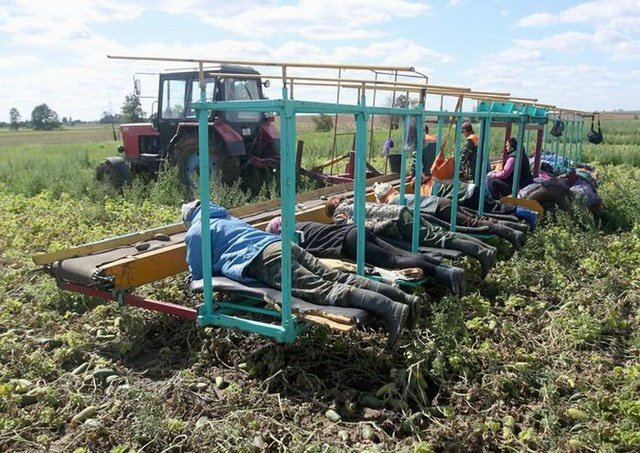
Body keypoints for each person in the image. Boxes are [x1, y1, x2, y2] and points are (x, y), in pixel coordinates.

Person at [182, 200, 419, 348]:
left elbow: (200, 272)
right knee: (338, 277)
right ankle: (406, 299)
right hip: (282, 245)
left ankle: (392, 310)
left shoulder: (196, 230)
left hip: (263, 259)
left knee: (324, 291)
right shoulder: (228, 218)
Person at [264, 217, 465, 296]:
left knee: (395, 262)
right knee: (403, 254)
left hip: (349, 242)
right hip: (354, 231)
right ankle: (447, 268)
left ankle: (444, 274)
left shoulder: (291, 237)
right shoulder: (302, 224)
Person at [324, 195, 499, 278]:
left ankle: (481, 252)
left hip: (398, 222)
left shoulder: (340, 212)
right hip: (402, 213)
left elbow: (344, 228)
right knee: (441, 234)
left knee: (438, 240)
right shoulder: (353, 201)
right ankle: (485, 250)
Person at [369, 183, 527, 249]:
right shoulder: (400, 194)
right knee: (478, 220)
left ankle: (512, 233)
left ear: (382, 198)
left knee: (472, 223)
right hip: (443, 202)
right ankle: (516, 226)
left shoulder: (392, 202)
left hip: (440, 207)